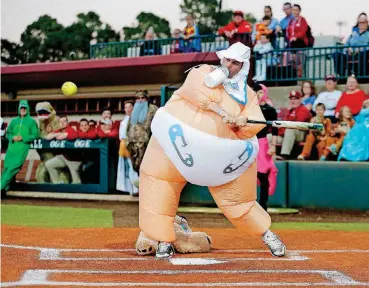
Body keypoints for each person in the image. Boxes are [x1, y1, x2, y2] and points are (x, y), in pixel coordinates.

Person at [138, 42, 286, 259]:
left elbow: (256, 124)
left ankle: (267, 234)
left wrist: (240, 123)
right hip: (174, 141)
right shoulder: (201, 71)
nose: (229, 65)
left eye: (235, 62)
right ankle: (163, 240)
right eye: (227, 59)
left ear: (243, 66)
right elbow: (197, 91)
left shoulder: (247, 95)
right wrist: (221, 111)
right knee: (158, 186)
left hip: (220, 157)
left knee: (240, 202)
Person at [1, 100, 39, 196]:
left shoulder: (31, 122)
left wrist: (23, 138)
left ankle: (0, 187)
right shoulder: (14, 121)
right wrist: (12, 137)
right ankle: (3, 190)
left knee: (13, 168)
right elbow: (8, 133)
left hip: (22, 149)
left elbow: (35, 135)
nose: (23, 110)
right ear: (19, 109)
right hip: (11, 148)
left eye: (24, 108)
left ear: (28, 109)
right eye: (21, 108)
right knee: (6, 168)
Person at [254, 83, 278, 212]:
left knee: (262, 175)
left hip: (262, 143)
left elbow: (274, 129)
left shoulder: (270, 110)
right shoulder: (249, 108)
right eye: (256, 92)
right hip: (248, 142)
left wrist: (273, 146)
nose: (258, 95)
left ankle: (263, 205)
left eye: (261, 92)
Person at [126, 90, 158, 173]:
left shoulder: (153, 109)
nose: (140, 100)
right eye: (138, 98)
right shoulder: (134, 109)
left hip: (145, 143)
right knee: (135, 166)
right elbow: (129, 126)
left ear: (146, 99)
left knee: (145, 167)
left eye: (142, 98)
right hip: (132, 142)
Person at [44, 116, 81, 184]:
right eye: (61, 122)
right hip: (64, 157)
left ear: (67, 122)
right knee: (48, 164)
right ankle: (57, 183)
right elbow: (48, 137)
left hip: (74, 158)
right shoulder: (59, 130)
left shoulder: (71, 129)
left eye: (64, 121)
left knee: (76, 182)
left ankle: (78, 193)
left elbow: (61, 137)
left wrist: (58, 135)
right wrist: (57, 134)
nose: (62, 123)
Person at [276, 90, 311, 160]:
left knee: (290, 130)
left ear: (300, 99)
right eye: (291, 99)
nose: (293, 101)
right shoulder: (290, 110)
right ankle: (265, 157)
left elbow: (297, 125)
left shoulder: (303, 109)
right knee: (270, 137)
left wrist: (285, 127)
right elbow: (284, 125)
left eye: (295, 99)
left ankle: (284, 155)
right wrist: (280, 132)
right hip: (288, 135)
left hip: (301, 134)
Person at [116, 100, 139, 195]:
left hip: (139, 146)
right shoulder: (123, 122)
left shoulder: (139, 120)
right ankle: (133, 190)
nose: (128, 109)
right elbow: (122, 136)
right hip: (127, 146)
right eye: (126, 107)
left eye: (130, 107)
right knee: (130, 167)